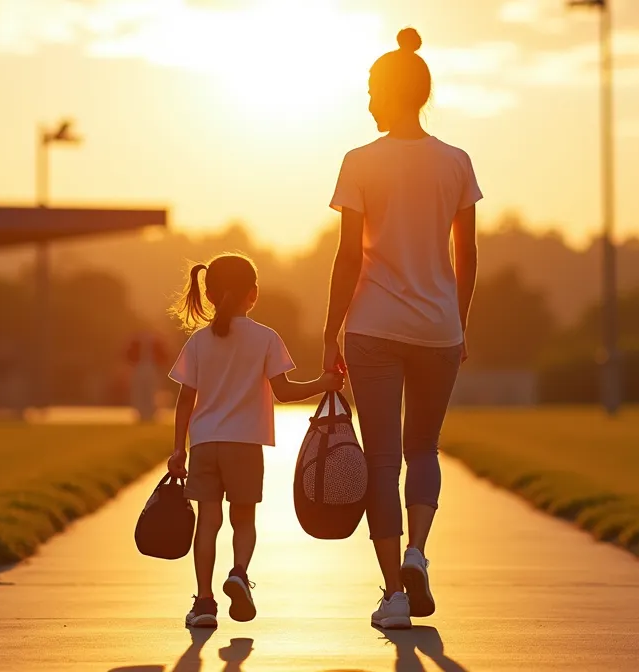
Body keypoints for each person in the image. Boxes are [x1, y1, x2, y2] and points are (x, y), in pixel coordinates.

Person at [321, 27, 481, 630]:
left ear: (388, 94)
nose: (366, 101)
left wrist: (330, 329)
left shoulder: (359, 162)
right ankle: (418, 551)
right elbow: (467, 257)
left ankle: (394, 593)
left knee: (382, 459)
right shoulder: (456, 162)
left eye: (370, 90)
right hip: (438, 328)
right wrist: (459, 325)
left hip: (372, 328)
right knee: (423, 450)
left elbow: (349, 258)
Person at [168, 254, 344, 629]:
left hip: (204, 445)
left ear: (210, 294)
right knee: (243, 519)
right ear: (254, 294)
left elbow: (185, 400)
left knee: (208, 522)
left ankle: (203, 602)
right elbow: (283, 392)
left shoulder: (199, 342)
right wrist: (323, 384)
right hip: (245, 444)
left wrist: (178, 449)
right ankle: (238, 574)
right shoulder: (266, 338)